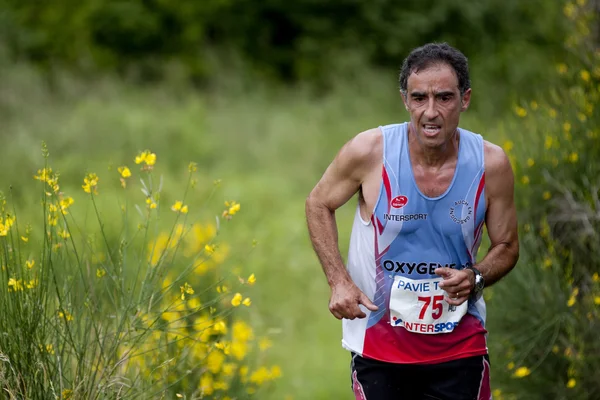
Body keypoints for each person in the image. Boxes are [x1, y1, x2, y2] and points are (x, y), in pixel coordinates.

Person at [305, 42, 519, 400]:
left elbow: (508, 246)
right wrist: (338, 281)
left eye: (444, 98)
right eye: (419, 98)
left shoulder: (490, 164)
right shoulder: (370, 152)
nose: (430, 112)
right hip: (379, 346)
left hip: (460, 346)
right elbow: (317, 203)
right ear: (405, 100)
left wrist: (475, 277)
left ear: (465, 99)